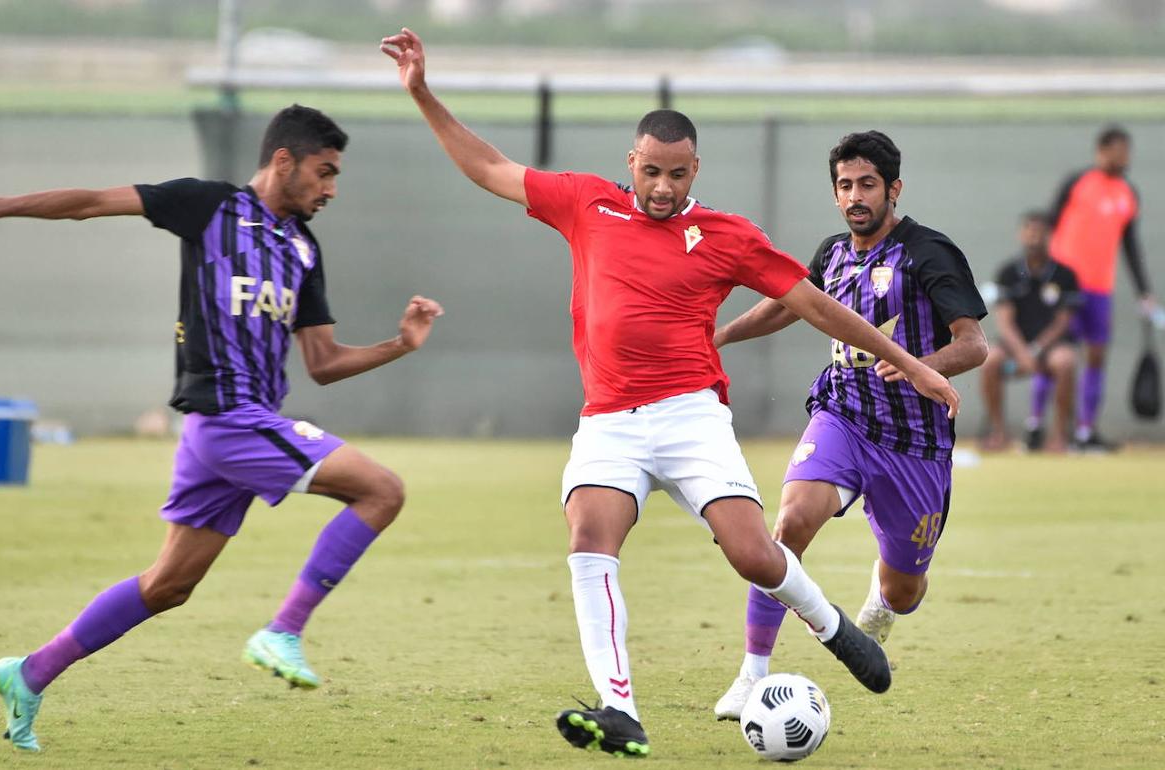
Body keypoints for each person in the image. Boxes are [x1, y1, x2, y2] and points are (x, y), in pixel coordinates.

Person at [381, 30, 961, 757]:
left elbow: (815, 305)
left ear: (695, 171)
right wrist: (422, 94)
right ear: (632, 163)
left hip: (690, 416)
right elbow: (490, 167)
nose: (663, 187)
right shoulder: (587, 204)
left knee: (754, 553)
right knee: (589, 538)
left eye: (678, 175)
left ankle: (834, 628)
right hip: (608, 422)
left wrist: (912, 362)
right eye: (652, 171)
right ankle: (618, 709)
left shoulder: (725, 235)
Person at [0, 104, 444, 752]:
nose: (331, 189)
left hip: (238, 428)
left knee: (168, 586)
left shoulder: (302, 249)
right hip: (228, 419)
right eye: (324, 172)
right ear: (283, 161)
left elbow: (323, 362)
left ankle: (29, 674)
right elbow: (93, 201)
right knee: (383, 491)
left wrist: (399, 344)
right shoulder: (207, 208)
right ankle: (284, 630)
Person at [710, 131, 988, 721]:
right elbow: (788, 303)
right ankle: (749, 675)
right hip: (843, 416)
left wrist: (921, 366)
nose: (855, 196)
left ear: (894, 189)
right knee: (787, 525)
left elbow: (974, 345)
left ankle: (882, 599)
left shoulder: (928, 252)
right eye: (845, 186)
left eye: (867, 185)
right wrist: (723, 334)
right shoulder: (833, 253)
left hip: (915, 442)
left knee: (905, 589)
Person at [1049, 125, 1161, 451]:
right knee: (1056, 354)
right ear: (1102, 150)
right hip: (1066, 288)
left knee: (1096, 355)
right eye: (1119, 150)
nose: (1125, 157)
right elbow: (1049, 225)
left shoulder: (1128, 193)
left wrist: (1144, 290)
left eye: (1127, 151)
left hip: (1100, 287)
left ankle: (1085, 430)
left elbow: (1130, 245)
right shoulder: (1078, 183)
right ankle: (1045, 431)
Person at [981, 211, 1081, 452]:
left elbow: (1062, 321)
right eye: (1030, 231)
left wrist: (1036, 350)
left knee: (1066, 362)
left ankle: (1058, 437)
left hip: (1049, 349)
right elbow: (1005, 321)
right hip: (1015, 350)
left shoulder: (1065, 275)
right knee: (991, 360)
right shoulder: (1009, 272)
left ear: (1050, 236)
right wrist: (1023, 352)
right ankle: (998, 433)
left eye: (1040, 232)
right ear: (1022, 234)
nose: (1035, 237)